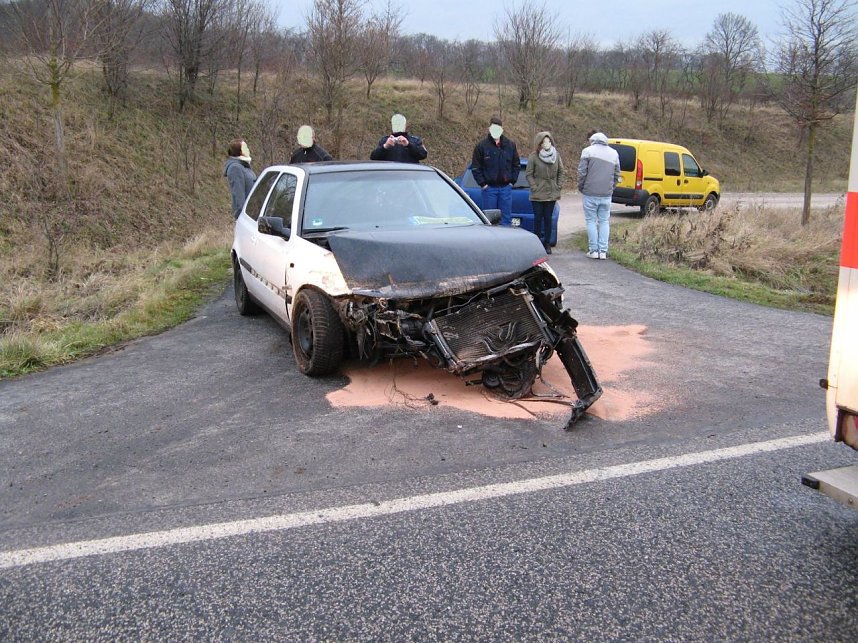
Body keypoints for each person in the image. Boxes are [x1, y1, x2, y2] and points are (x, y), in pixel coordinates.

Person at [577, 131, 620, 260]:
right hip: (606, 194)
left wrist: (581, 187)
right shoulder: (614, 154)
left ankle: (593, 250)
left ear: (593, 141)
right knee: (604, 221)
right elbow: (617, 174)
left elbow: (582, 172)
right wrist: (611, 188)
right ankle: (603, 251)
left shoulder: (587, 151)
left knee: (590, 221)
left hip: (590, 192)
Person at [471, 116, 519, 226]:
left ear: (502, 129)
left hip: (505, 189)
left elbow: (516, 165)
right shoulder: (481, 146)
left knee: (506, 220)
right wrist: (483, 184)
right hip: (489, 190)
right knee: (490, 221)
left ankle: (505, 242)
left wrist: (512, 182)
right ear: (489, 129)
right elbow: (476, 167)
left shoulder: (510, 145)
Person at [526, 131, 565, 254]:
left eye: (548, 141)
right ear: (539, 143)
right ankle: (537, 242)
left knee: (548, 218)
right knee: (538, 218)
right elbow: (529, 174)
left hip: (551, 192)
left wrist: (558, 185)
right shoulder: (533, 156)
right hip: (538, 193)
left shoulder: (556, 155)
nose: (546, 143)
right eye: (543, 141)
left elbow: (561, 171)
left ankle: (547, 243)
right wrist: (534, 186)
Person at [224, 139, 256, 220]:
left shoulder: (243, 166)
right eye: (246, 148)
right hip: (246, 217)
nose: (248, 150)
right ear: (240, 152)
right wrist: (242, 217)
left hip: (252, 213)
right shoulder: (235, 168)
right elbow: (238, 194)